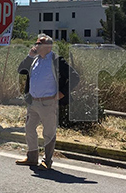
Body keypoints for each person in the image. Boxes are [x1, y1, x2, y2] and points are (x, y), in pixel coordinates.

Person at [16, 34, 79, 170]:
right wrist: (29, 56)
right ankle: (32, 157)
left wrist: (62, 93)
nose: (36, 46)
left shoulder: (56, 60)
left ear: (48, 46)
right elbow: (21, 70)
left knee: (49, 133)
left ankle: (47, 160)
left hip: (48, 103)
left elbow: (74, 77)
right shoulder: (34, 60)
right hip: (33, 102)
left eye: (40, 44)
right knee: (29, 129)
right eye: (36, 43)